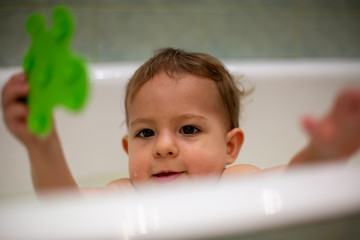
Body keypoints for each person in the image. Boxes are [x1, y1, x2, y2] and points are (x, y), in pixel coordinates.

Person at [2, 48, 360, 194]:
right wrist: (42, 144)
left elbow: (295, 185)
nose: (164, 146)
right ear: (127, 147)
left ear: (230, 146)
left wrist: (323, 152)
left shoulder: (233, 185)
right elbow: (66, 213)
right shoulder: (126, 194)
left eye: (189, 129)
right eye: (145, 132)